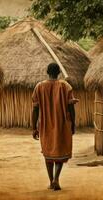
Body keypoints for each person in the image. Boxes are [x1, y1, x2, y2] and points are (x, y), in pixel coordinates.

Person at [31, 63, 77, 191]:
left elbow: (35, 109)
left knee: (48, 153)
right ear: (59, 73)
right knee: (60, 153)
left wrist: (34, 127)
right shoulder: (65, 86)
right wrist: (73, 123)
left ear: (47, 71)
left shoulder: (39, 87)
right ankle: (56, 179)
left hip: (45, 125)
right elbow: (71, 108)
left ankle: (51, 181)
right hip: (62, 124)